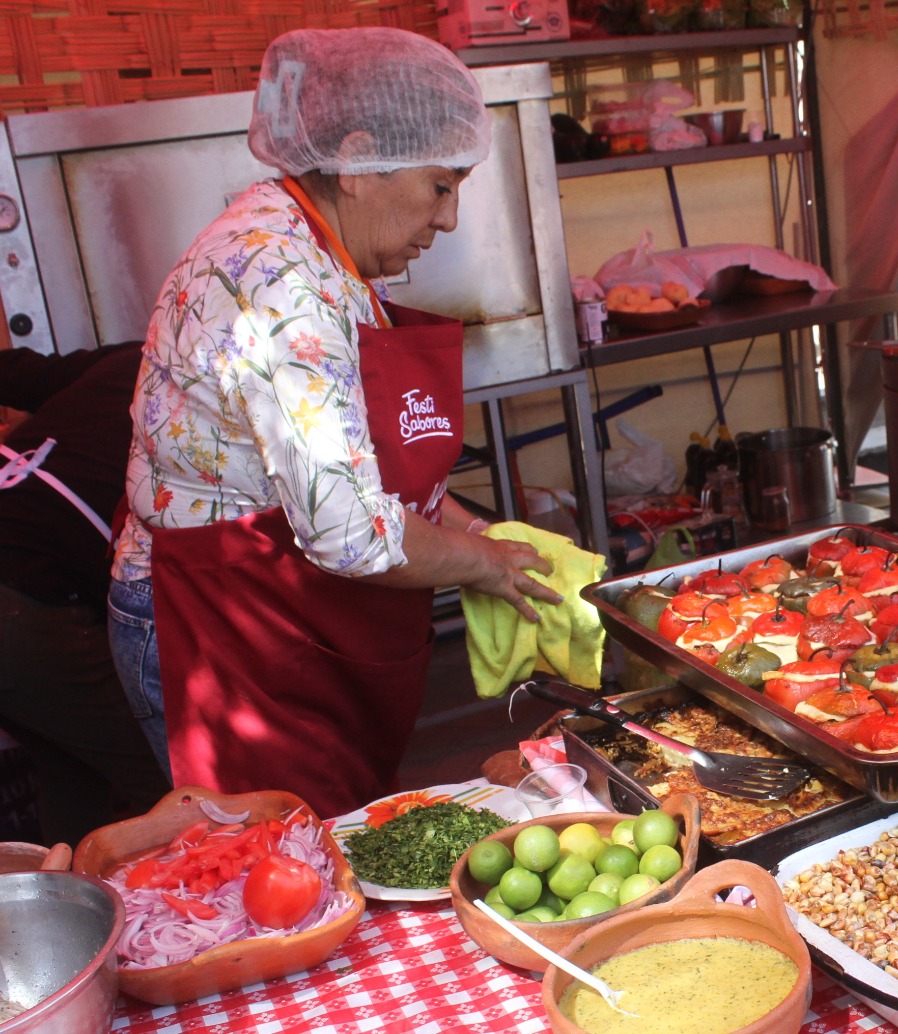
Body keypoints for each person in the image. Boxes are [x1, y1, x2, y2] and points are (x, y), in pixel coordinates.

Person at [108, 27, 561, 819]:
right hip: (215, 625)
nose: (449, 218)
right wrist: (478, 563)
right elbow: (350, 531)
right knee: (283, 867)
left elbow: (359, 461)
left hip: (271, 609)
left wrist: (478, 533)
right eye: (442, 185)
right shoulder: (284, 284)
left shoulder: (310, 241)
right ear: (355, 160)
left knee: (326, 849)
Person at [0, 342, 172, 843]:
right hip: (26, 609)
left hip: (29, 602)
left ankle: (70, 915)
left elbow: (20, 373)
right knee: (175, 792)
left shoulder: (135, 355)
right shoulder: (203, 374)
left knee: (78, 783)